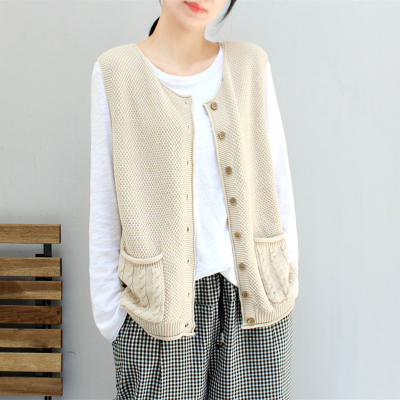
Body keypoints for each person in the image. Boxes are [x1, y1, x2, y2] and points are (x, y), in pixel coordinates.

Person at [89, 0, 299, 398]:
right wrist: (112, 318)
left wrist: (288, 276)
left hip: (254, 301)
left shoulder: (250, 65)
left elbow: (278, 182)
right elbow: (105, 202)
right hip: (158, 310)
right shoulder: (117, 70)